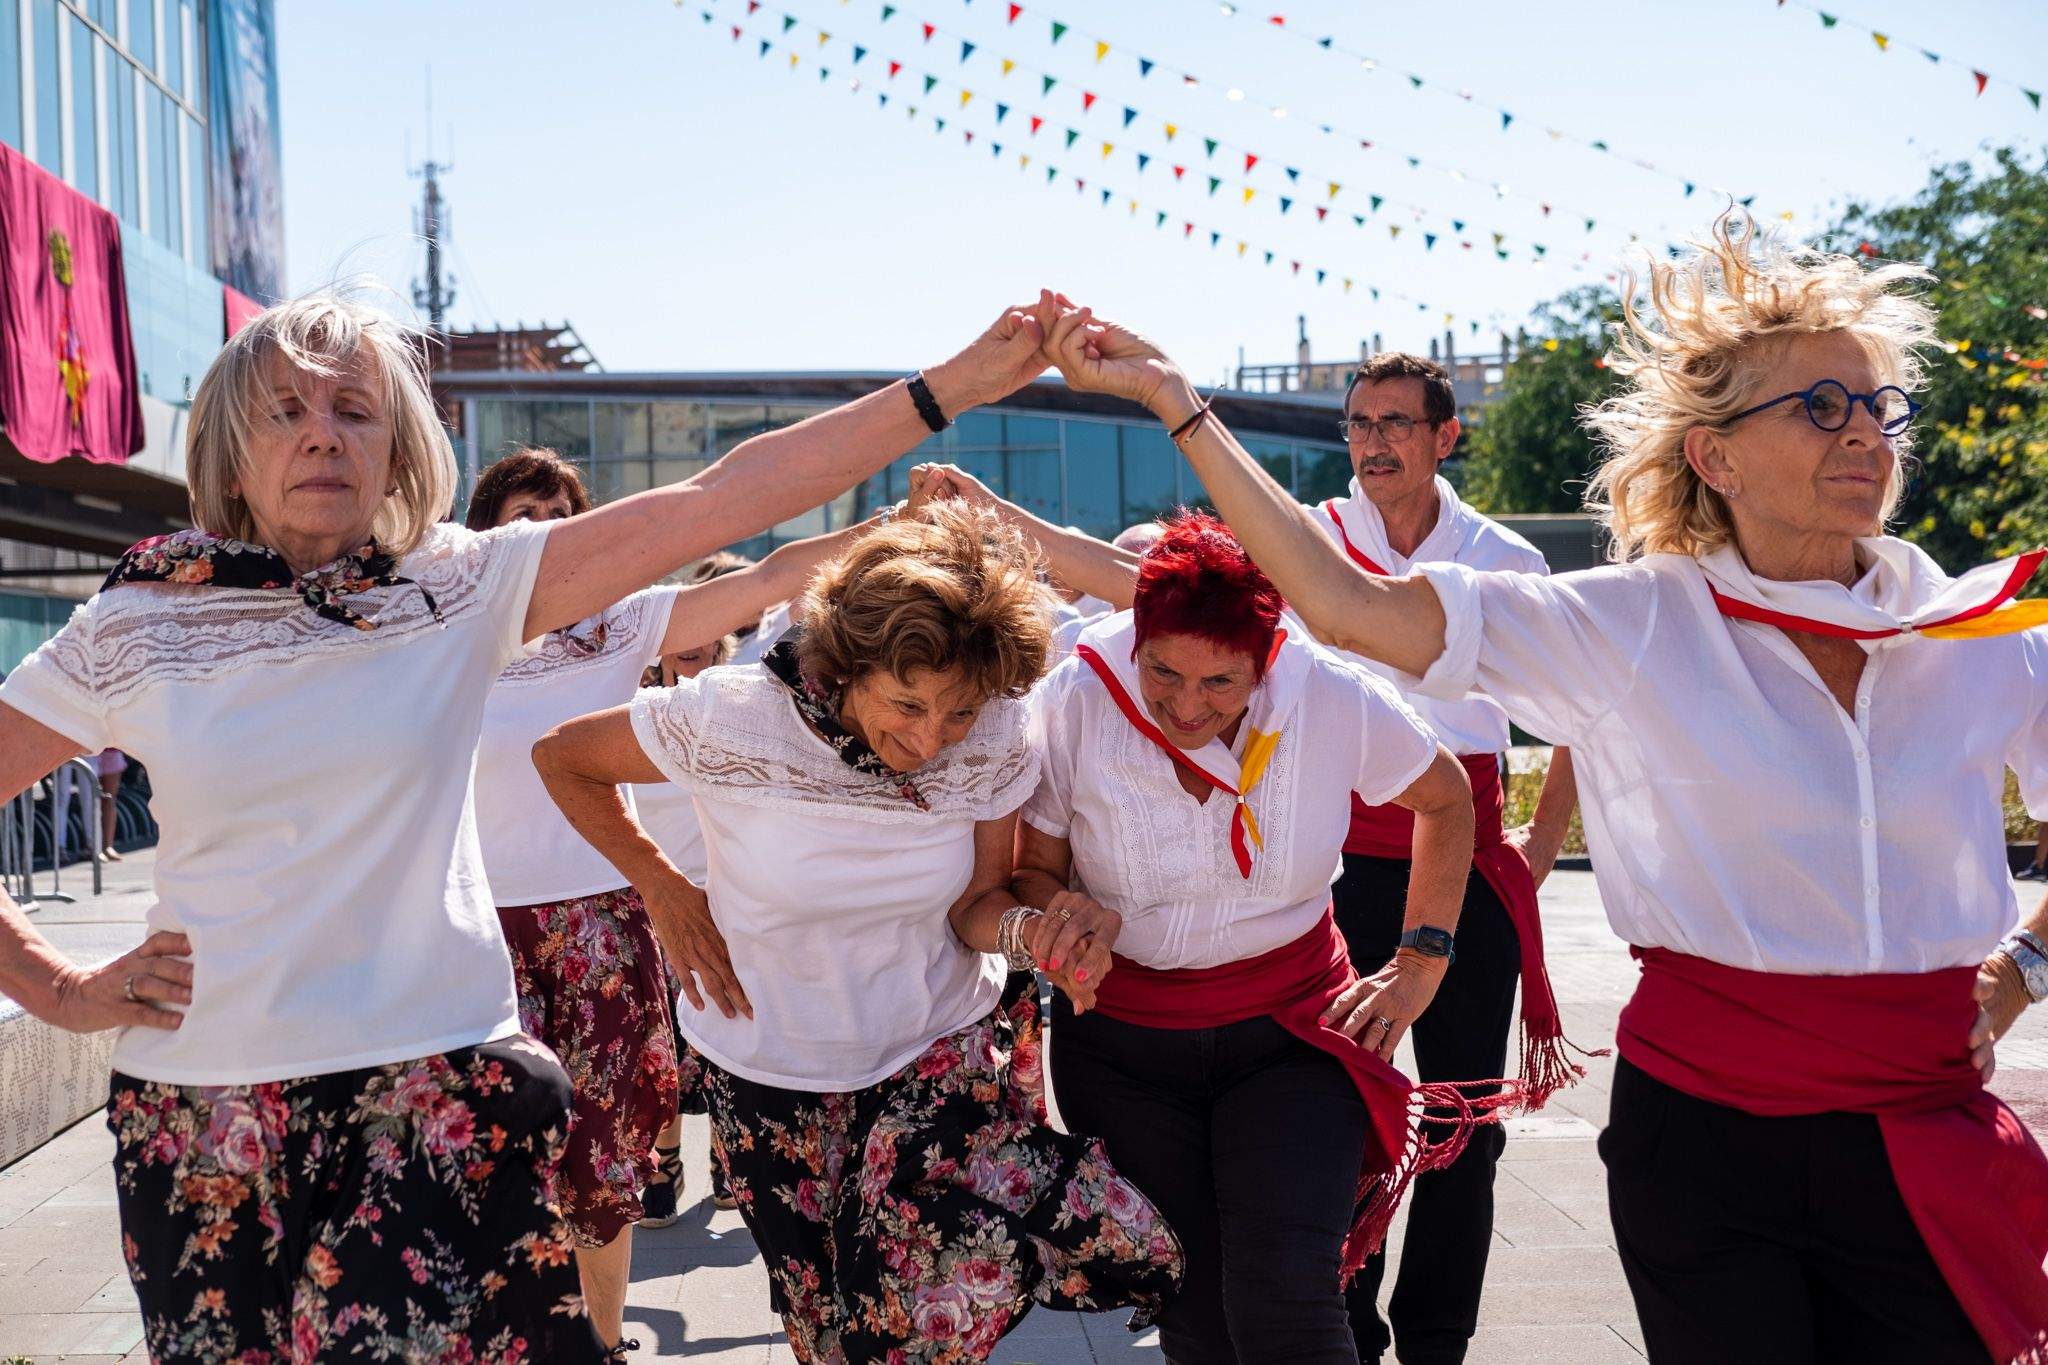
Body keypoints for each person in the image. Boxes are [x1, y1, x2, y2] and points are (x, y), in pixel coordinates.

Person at [1035, 220, 2048, 1360]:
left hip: (1923, 1129)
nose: (1863, 431)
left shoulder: (1976, 633)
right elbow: (1344, 609)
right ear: (1711, 456)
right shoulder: (1629, 621)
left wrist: (2024, 964)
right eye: (1818, 406)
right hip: (1707, 1133)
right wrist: (1179, 402)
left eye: (1876, 407)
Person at [0, 286, 1056, 1362]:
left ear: (401, 450)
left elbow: (716, 499)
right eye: (283, 410)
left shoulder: (452, 589)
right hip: (205, 1103)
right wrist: (53, 985)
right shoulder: (136, 623)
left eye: (355, 410)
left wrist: (952, 387)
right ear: (229, 450)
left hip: (431, 1083)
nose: (322, 431)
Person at [533, 502, 1184, 1361]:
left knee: (906, 1324)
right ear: (846, 666)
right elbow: (562, 757)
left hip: (933, 1058)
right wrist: (662, 886)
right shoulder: (735, 717)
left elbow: (978, 905)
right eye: (908, 704)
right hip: (769, 1072)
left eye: (956, 713)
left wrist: (1037, 935)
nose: (930, 738)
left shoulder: (993, 733)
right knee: (827, 1333)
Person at [1012, 510, 1480, 1363]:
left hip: (1293, 1037)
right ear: (1136, 638)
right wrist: (1064, 915)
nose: (1187, 704)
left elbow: (1447, 797)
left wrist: (1420, 962)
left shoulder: (1326, 693)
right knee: (1192, 1310)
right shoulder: (1079, 691)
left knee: (1286, 1303)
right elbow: (1034, 865)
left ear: (1265, 659)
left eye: (1221, 683)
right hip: (1123, 1050)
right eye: (1162, 671)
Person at [465, 447, 906, 1350]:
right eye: (523, 513)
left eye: (563, 512)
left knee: (601, 1152)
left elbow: (776, 575)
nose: (545, 527)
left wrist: (893, 524)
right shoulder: (452, 629)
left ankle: (602, 1337)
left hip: (601, 920)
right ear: (486, 530)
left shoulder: (622, 623)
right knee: (483, 1155)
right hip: (471, 929)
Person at [1316, 351, 1584, 1364]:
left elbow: (1576, 716)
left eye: (1393, 421)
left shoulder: (1503, 557)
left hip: (1467, 873)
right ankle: (1343, 1326)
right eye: (1356, 423)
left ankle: (1436, 1344)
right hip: (1332, 869)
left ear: (1443, 436)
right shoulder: (1312, 543)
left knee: (1459, 1121)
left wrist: (1539, 846)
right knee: (1335, 1113)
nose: (1372, 441)